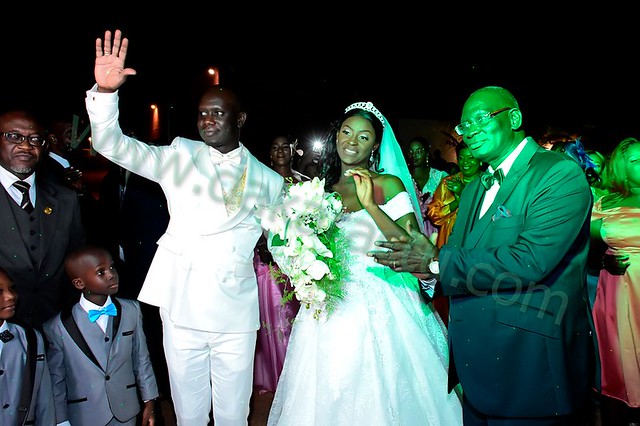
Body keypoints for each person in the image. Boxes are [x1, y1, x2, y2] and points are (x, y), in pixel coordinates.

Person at [86, 29, 285, 425]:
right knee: (189, 412)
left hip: (235, 313)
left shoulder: (270, 180)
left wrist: (319, 273)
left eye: (218, 112)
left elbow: (282, 245)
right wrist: (106, 94)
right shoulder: (179, 154)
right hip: (182, 305)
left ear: (240, 118)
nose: (207, 120)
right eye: (202, 113)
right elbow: (114, 146)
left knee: (233, 415)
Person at [369, 86, 592, 424]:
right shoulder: (474, 187)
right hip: (477, 370)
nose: (469, 131)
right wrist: (428, 273)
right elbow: (458, 258)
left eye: (480, 119)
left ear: (513, 117)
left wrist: (435, 261)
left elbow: (529, 262)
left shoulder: (557, 174)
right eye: (463, 125)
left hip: (529, 366)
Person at [267, 101, 462, 425]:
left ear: (375, 144)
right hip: (329, 302)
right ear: (336, 135)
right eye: (346, 132)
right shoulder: (321, 189)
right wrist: (299, 261)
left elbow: (411, 245)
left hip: (384, 297)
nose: (352, 141)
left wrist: (371, 205)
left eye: (363, 136)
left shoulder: (389, 184)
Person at [43, 245, 158, 426]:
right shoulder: (58, 326)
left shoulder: (131, 310)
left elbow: (141, 358)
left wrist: (149, 400)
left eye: (112, 267)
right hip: (84, 415)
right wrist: (61, 420)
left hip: (126, 410)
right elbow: (57, 379)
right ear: (79, 283)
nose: (111, 274)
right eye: (101, 272)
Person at [0, 109, 85, 331]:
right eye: (13, 136)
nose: (25, 145)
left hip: (53, 327)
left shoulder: (66, 199)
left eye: (35, 139)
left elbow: (74, 261)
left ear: (45, 146)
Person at [590, 137, 640, 425]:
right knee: (623, 353)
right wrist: (603, 261)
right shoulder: (605, 202)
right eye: (634, 160)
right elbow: (583, 247)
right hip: (619, 289)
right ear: (620, 167)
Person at [253, 134, 305, 394]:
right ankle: (280, 375)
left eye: (285, 146)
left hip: (301, 261)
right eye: (275, 147)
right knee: (277, 319)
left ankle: (301, 374)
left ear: (293, 151)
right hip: (269, 261)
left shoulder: (304, 183)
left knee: (300, 319)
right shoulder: (260, 181)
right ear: (270, 154)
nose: (281, 151)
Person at [426, 141, 484, 326]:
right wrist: (457, 200)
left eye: (471, 157)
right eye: (462, 158)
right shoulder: (448, 183)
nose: (466, 162)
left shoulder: (487, 183)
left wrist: (463, 194)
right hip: (448, 245)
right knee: (446, 296)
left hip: (476, 247)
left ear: (480, 160)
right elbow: (435, 216)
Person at [0, 266, 56, 426]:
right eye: (0, 292)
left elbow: (43, 397)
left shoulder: (30, 338)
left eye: (11, 288)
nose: (11, 296)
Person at [406, 135, 448, 240]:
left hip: (436, 231)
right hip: (410, 229)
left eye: (419, 151)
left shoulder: (440, 177)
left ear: (427, 153)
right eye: (411, 151)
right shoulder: (403, 178)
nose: (414, 155)